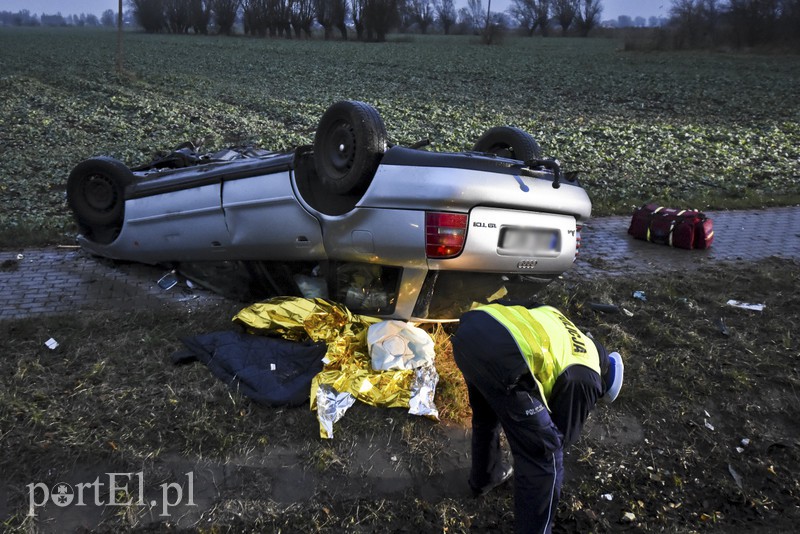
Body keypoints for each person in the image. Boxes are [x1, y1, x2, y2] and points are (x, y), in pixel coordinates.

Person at [452, 303, 624, 534]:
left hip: (473, 332)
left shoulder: (568, 328)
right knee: (545, 456)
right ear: (604, 383)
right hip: (505, 361)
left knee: (488, 415)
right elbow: (562, 436)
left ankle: (485, 478)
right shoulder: (588, 378)